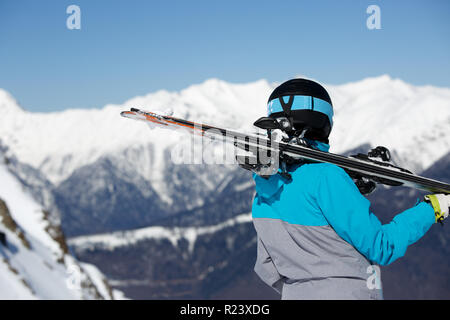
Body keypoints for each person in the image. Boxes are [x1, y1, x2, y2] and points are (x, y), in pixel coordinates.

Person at [250, 78, 449, 300]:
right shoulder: (327, 177)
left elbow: (266, 267)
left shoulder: (263, 192)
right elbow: (382, 246)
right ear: (323, 122)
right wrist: (432, 209)